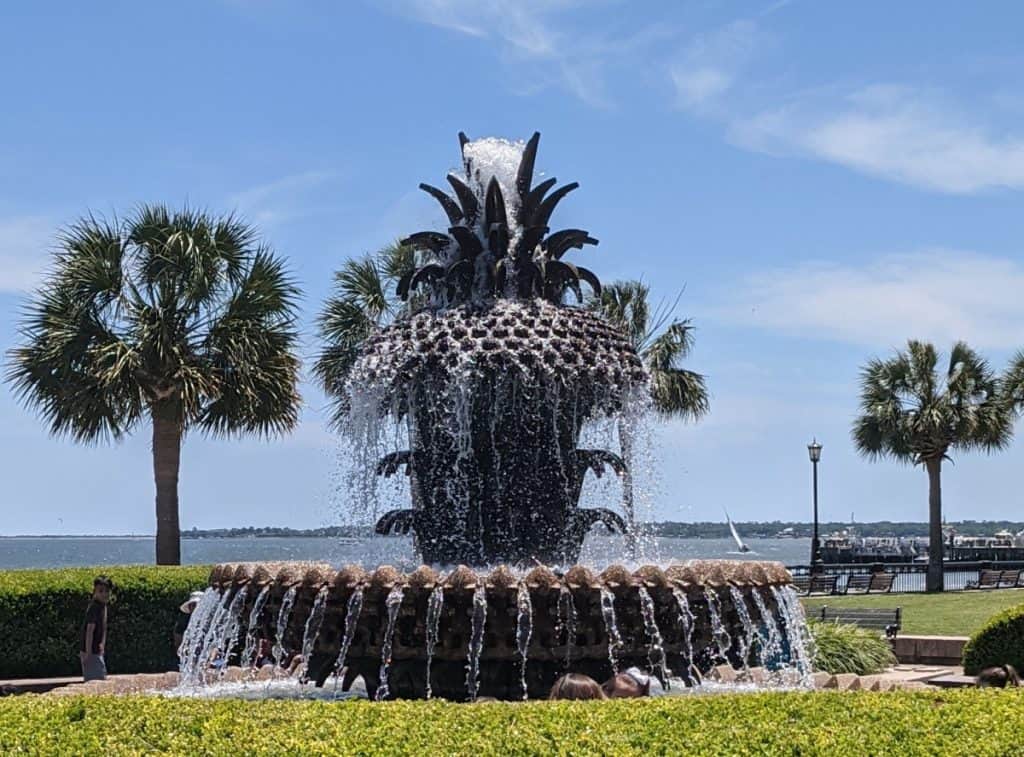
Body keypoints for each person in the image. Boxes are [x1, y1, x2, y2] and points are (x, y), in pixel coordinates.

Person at [80, 576, 113, 682]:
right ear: (94, 592)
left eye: (107, 591)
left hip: (97, 650)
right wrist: (88, 653)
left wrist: (102, 644)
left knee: (101, 677)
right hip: (91, 651)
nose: (104, 594)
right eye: (100, 591)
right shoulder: (94, 608)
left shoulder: (103, 606)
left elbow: (104, 627)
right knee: (96, 680)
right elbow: (89, 630)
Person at [174, 591, 204, 656]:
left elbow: (215, 645)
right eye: (193, 605)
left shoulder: (210, 621)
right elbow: (178, 644)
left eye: (197, 605)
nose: (195, 608)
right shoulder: (183, 622)